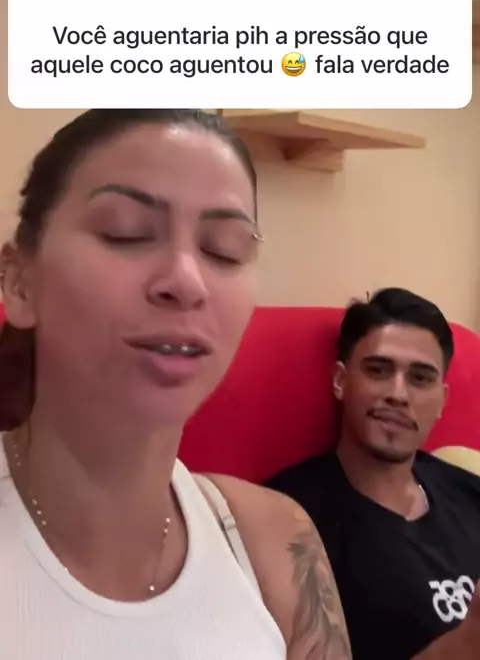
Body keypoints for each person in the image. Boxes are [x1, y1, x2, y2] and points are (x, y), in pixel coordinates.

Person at [0, 109, 350, 660]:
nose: (187, 281)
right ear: (20, 282)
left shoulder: (275, 541)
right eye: (126, 233)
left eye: (224, 250)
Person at [266, 288, 480, 660]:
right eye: (378, 370)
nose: (398, 394)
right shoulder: (286, 520)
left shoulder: (469, 492)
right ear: (340, 380)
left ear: (443, 401)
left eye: (420, 378)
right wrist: (461, 648)